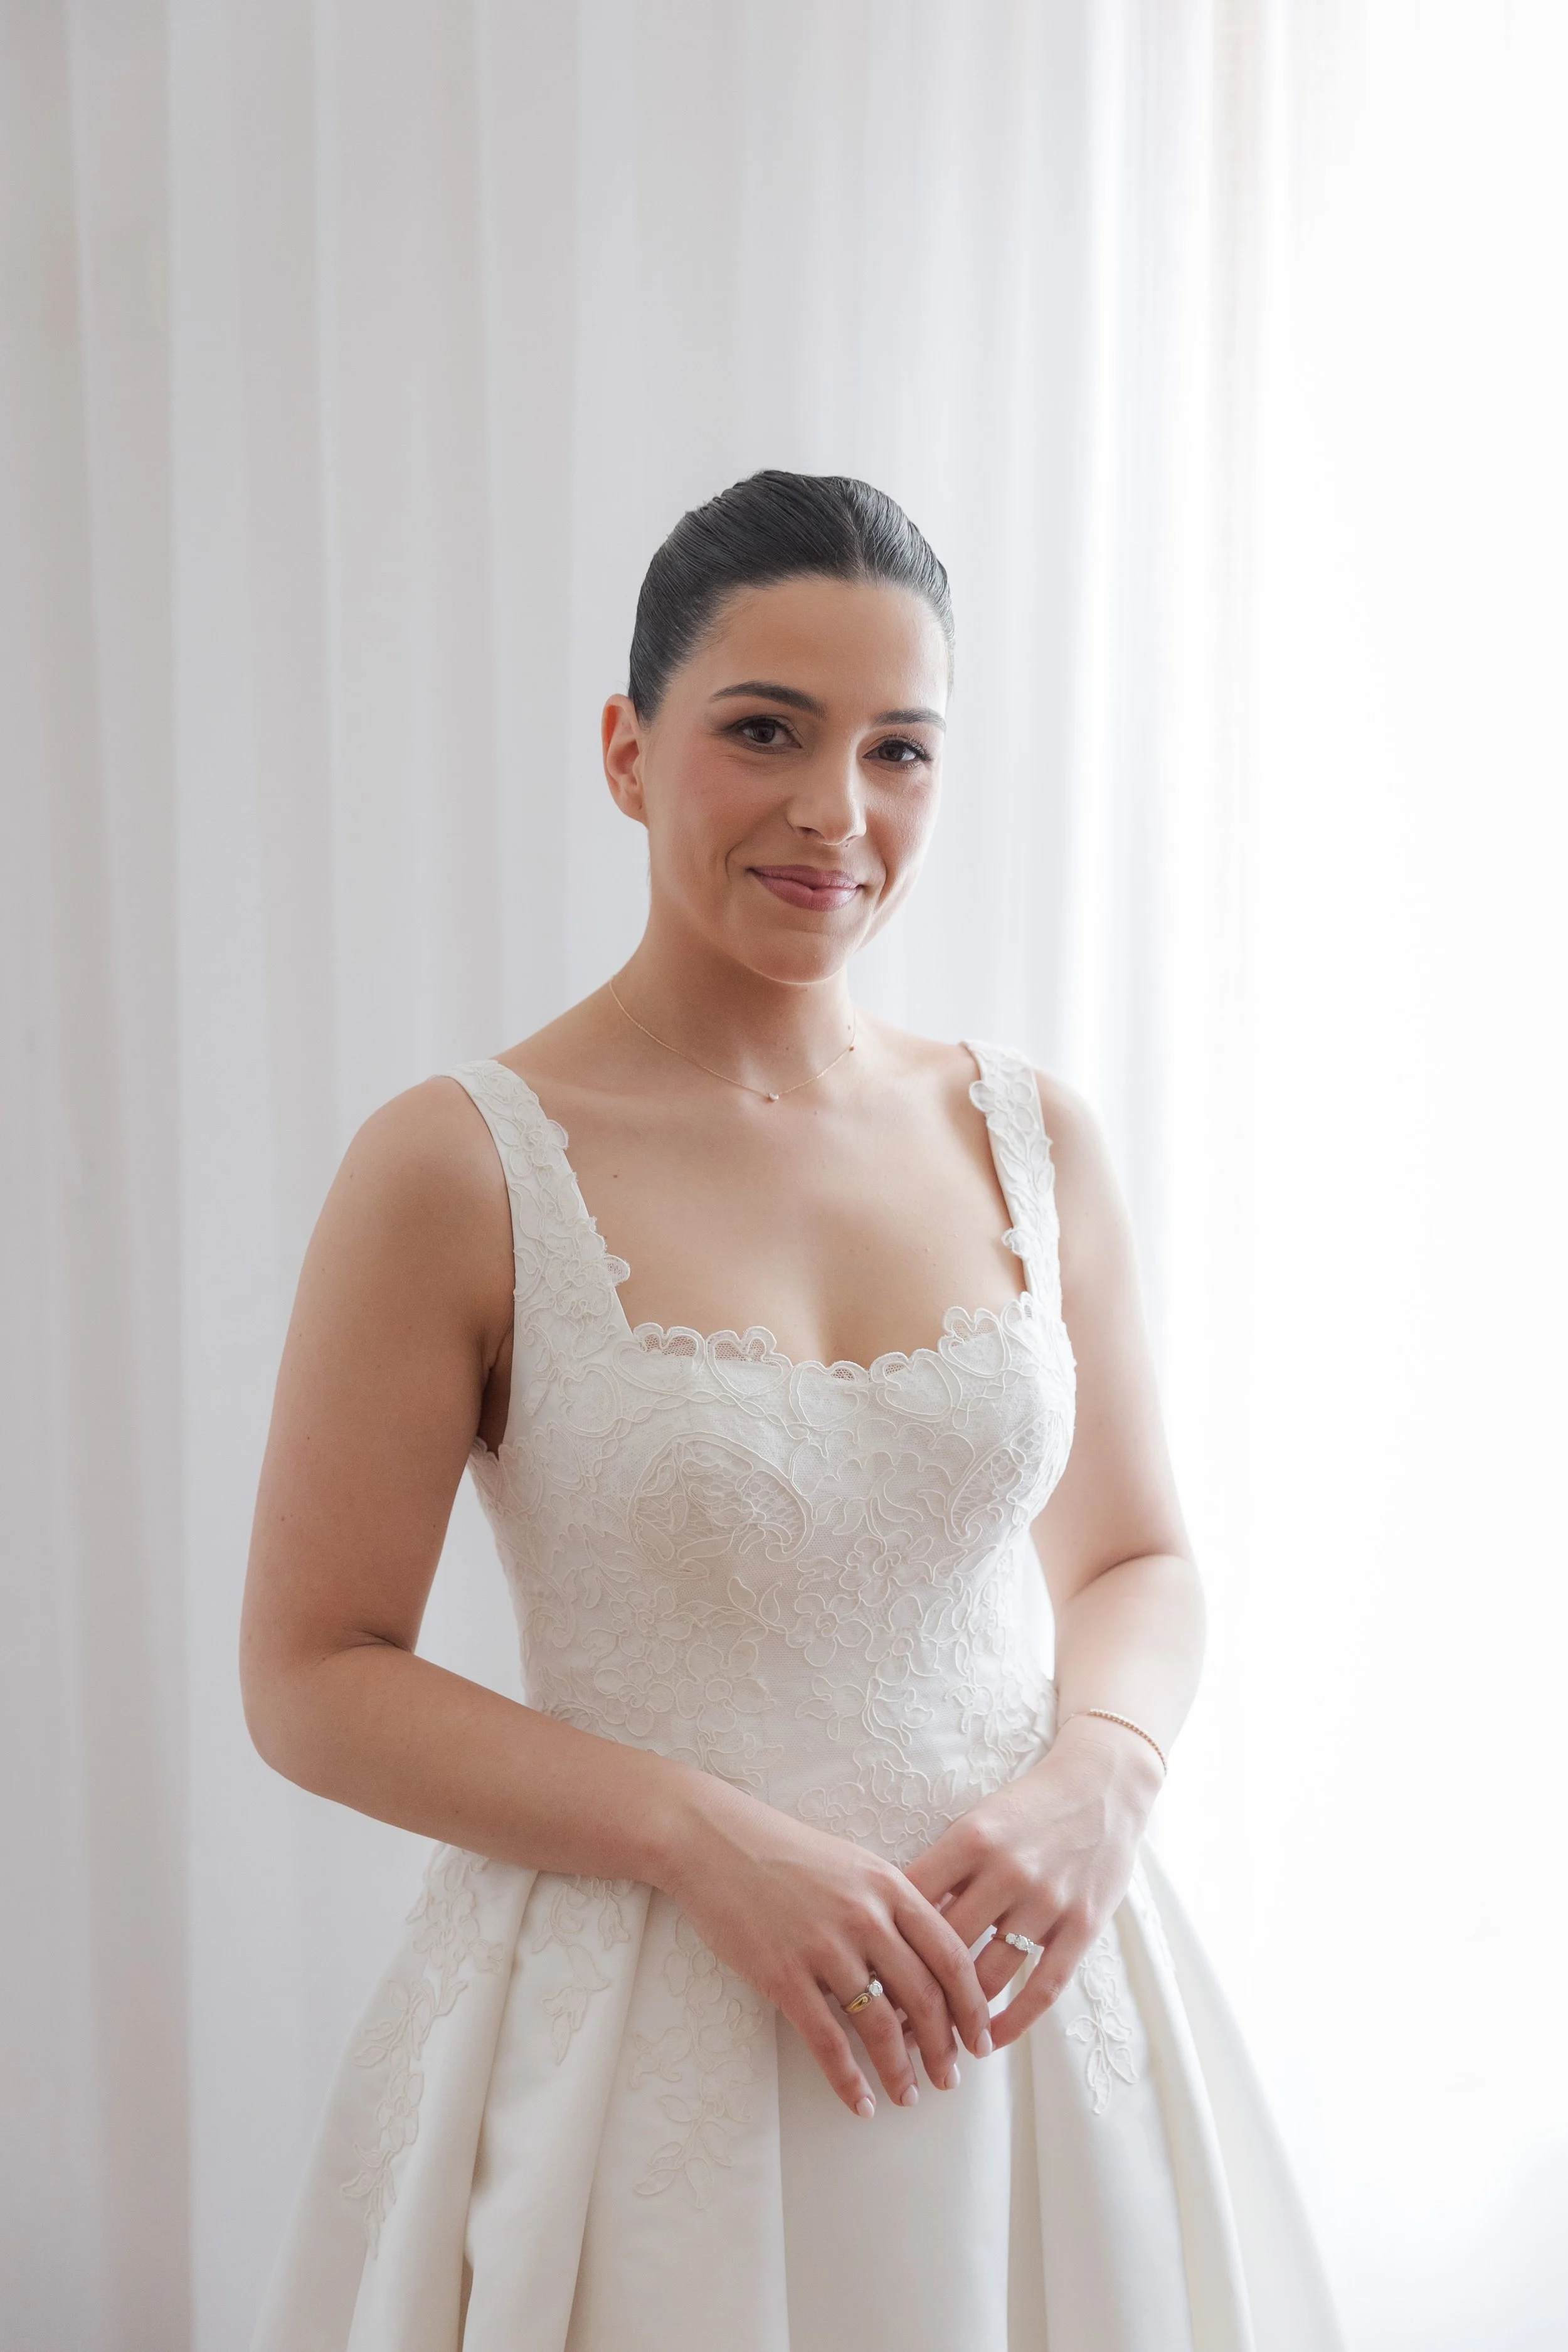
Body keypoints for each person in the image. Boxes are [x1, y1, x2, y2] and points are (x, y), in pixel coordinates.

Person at [241, 471, 1341, 2351]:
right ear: (626, 748)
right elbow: (313, 1670)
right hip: (633, 2037)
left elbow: (1142, 1550)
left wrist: (1105, 1776)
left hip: (1018, 2016)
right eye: (766, 731)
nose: (838, 813)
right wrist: (695, 1834)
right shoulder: (455, 1166)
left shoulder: (1031, 1135)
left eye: (899, 751)